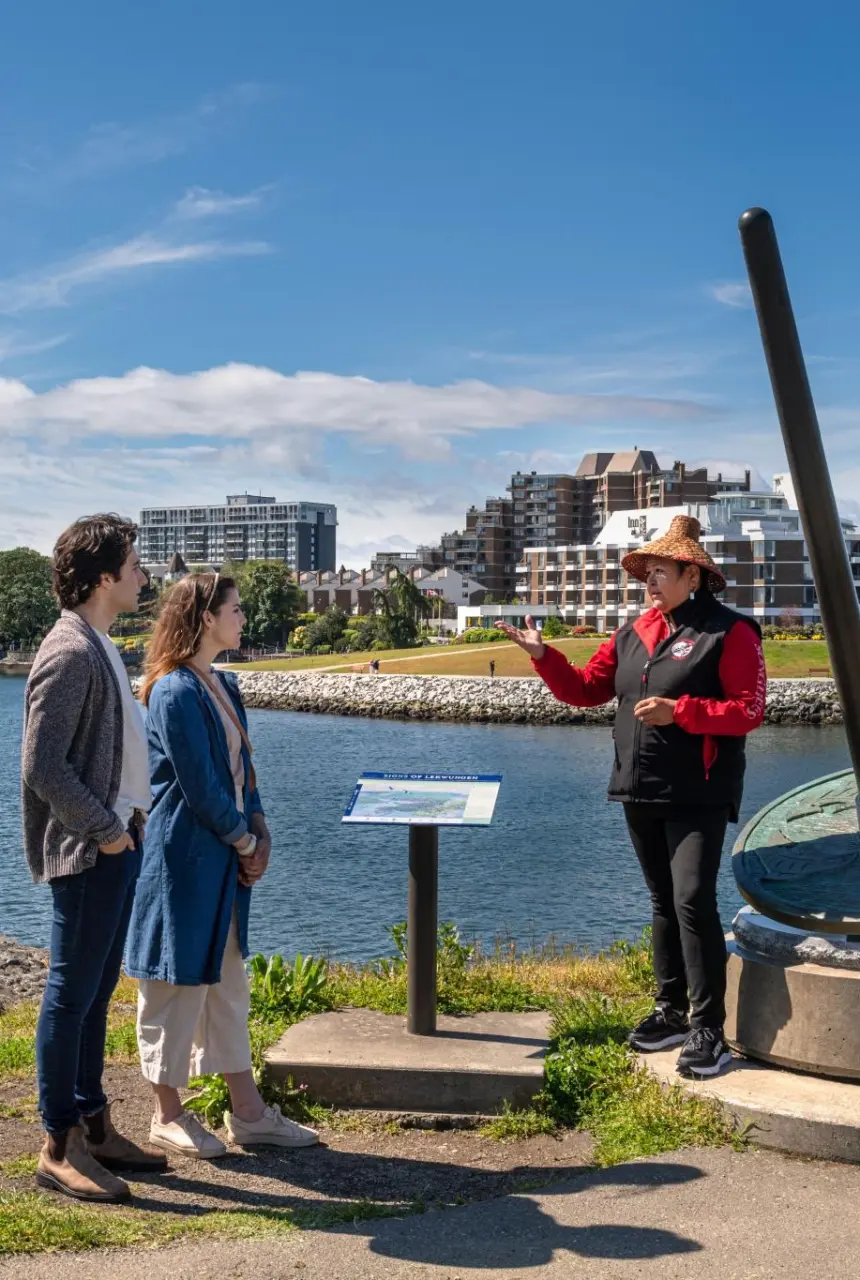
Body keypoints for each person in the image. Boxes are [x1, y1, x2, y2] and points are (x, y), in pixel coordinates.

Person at [497, 516, 766, 1079]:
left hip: (700, 792)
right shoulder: (634, 633)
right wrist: (542, 655)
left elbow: (748, 710)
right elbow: (584, 691)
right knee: (663, 903)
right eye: (646, 574)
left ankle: (709, 1029)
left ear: (692, 574)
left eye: (660, 572)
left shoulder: (730, 632)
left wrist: (683, 713)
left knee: (692, 900)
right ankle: (671, 1011)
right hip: (638, 789)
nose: (649, 582)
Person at [127, 573, 319, 1157]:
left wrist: (258, 828)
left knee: (228, 983)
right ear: (206, 617)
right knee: (173, 982)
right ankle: (167, 1113)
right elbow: (199, 784)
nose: (242, 619)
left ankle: (250, 1113)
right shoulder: (174, 690)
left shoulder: (223, 685)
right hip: (183, 861)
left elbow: (242, 776)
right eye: (234, 610)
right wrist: (243, 840)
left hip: (224, 860)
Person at [22, 515, 167, 1204]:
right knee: (70, 996)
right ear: (104, 576)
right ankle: (60, 1145)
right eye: (135, 565)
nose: (144, 575)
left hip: (117, 843)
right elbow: (43, 766)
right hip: (91, 850)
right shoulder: (69, 651)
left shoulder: (99, 641)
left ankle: (92, 1121)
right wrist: (107, 831)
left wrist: (124, 830)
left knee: (95, 994)